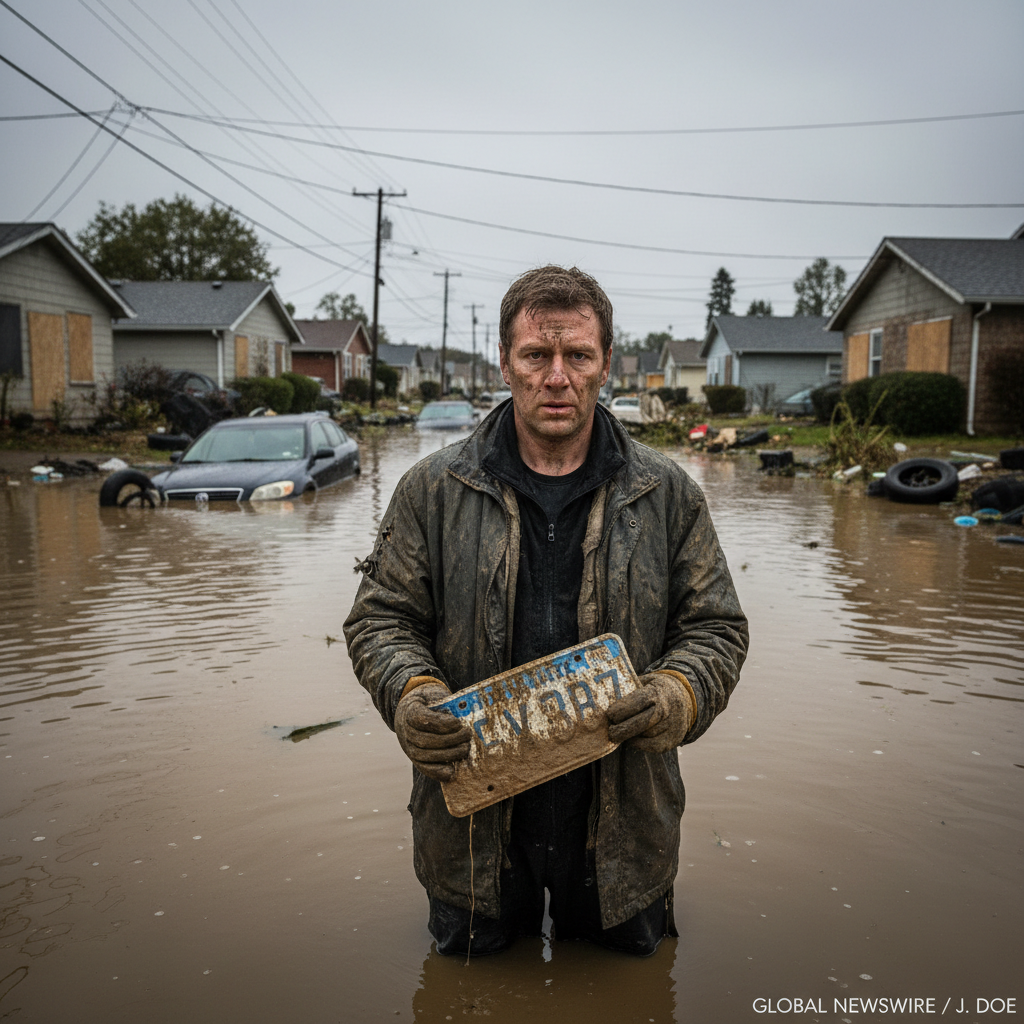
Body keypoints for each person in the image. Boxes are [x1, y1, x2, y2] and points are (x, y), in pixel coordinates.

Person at [344, 265, 748, 957]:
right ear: (506, 363)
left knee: (629, 987)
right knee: (471, 985)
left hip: (624, 835)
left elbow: (716, 628)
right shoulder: (431, 491)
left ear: (605, 365)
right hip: (474, 835)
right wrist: (413, 693)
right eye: (537, 355)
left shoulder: (666, 492)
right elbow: (381, 619)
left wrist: (674, 696)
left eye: (578, 356)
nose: (556, 377)